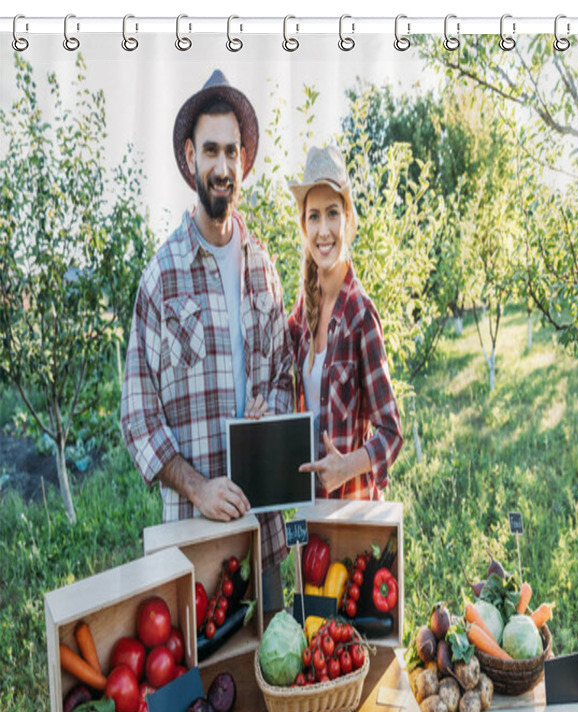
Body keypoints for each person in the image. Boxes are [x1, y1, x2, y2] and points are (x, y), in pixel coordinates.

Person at [121, 70, 293, 612]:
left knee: (274, 667)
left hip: (261, 531)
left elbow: (284, 377)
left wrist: (274, 417)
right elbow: (137, 416)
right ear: (191, 157)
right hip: (194, 541)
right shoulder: (162, 276)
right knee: (207, 687)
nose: (222, 168)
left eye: (232, 153)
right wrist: (197, 486)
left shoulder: (263, 266)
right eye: (210, 151)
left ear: (244, 161)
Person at [286, 145, 402, 500]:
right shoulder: (302, 314)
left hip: (354, 509)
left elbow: (391, 432)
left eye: (332, 214)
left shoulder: (360, 315)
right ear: (303, 226)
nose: (324, 230)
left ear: (347, 220)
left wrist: (346, 466)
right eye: (314, 216)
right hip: (312, 509)